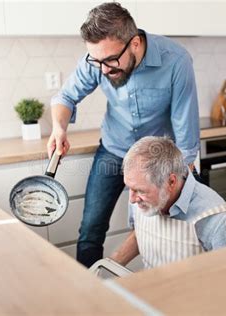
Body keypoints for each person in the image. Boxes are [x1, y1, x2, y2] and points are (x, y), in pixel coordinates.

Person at [48, 2, 200, 267]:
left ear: (136, 44)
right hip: (114, 150)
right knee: (90, 229)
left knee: (161, 225)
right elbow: (66, 97)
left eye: (110, 60)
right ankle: (88, 293)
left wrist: (185, 183)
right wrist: (59, 128)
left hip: (157, 159)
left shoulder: (176, 60)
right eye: (97, 61)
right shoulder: (99, 61)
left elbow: (184, 129)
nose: (104, 69)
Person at [110, 136, 226, 269]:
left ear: (171, 182)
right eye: (130, 188)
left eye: (140, 191)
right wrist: (107, 266)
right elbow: (142, 233)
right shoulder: (140, 193)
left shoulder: (219, 221)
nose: (132, 199)